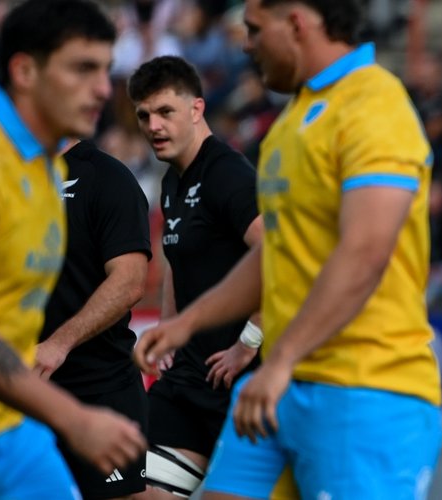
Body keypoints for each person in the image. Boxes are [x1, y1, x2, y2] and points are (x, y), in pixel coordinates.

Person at [133, 0, 442, 498]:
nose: (246, 44)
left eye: (254, 29)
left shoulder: (374, 104)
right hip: (280, 391)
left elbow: (365, 252)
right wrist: (184, 323)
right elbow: (274, 253)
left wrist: (273, 359)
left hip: (365, 389)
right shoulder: (288, 124)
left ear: (296, 22)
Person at [0, 0, 146, 496]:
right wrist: (75, 419)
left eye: (107, 70)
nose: (105, 90)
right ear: (24, 70)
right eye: (83, 68)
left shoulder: (49, 171)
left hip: (11, 428)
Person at [126, 55, 263, 499]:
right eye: (144, 115)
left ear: (197, 109)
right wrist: (169, 328)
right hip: (188, 380)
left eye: (165, 111)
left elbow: (280, 255)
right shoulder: (172, 182)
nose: (154, 126)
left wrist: (248, 343)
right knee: (121, 485)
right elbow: (175, 258)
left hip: (240, 382)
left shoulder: (228, 173)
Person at [39, 140, 152, 499]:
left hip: (99, 390)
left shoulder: (107, 178)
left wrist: (59, 343)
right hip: (20, 392)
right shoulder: (4, 170)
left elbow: (130, 281)